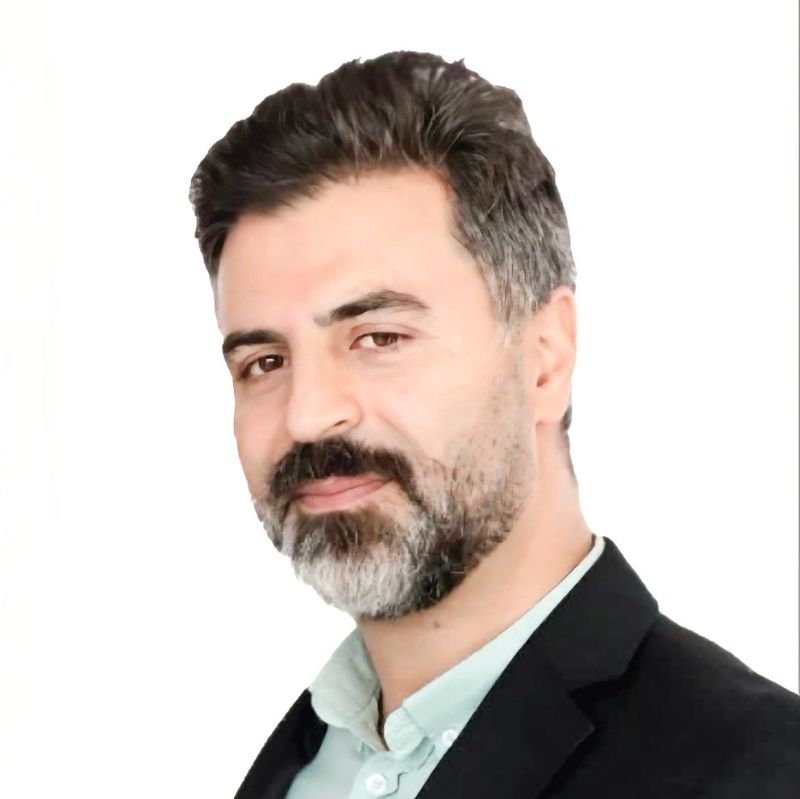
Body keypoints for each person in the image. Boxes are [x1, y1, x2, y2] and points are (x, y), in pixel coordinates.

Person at [187, 51, 800, 798]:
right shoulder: (304, 767)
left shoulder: (760, 770)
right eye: (264, 362)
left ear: (545, 358)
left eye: (379, 337)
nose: (309, 415)